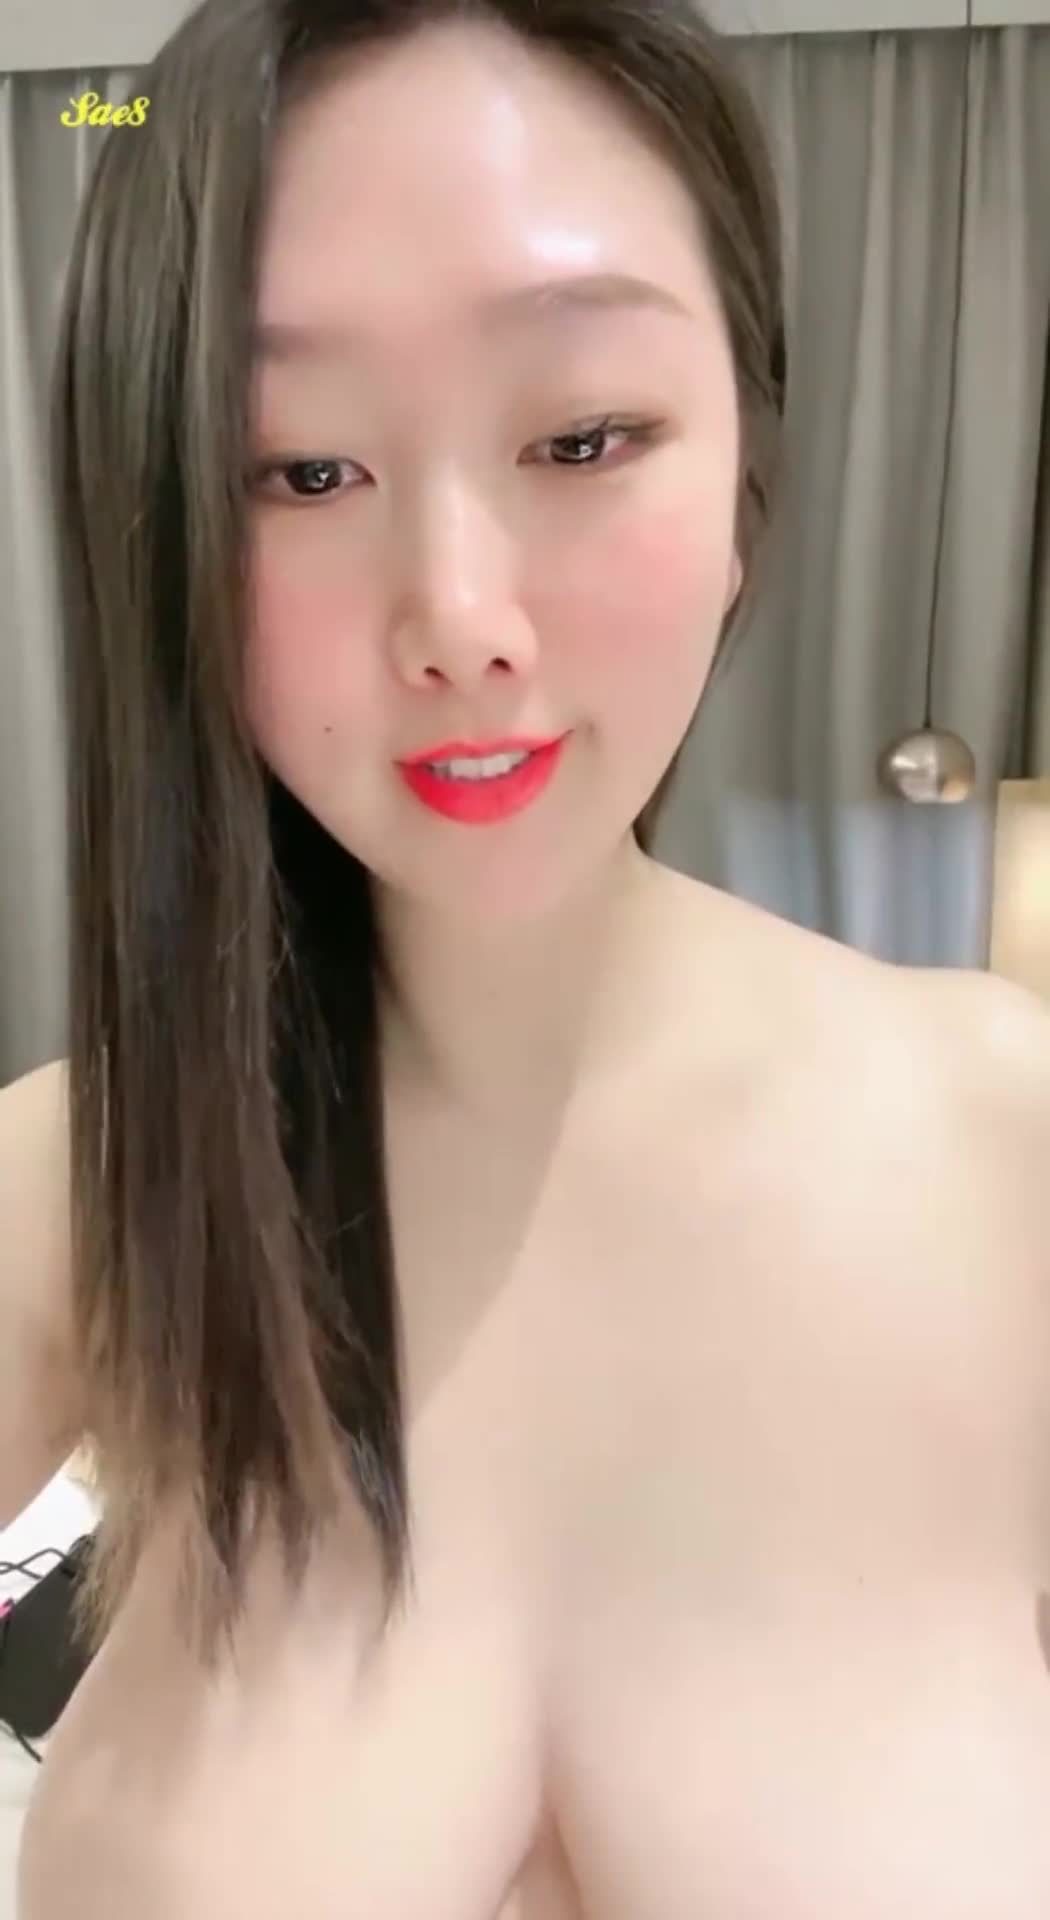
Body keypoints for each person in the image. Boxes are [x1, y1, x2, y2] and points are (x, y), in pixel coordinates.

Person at [2, 0, 1049, 1912]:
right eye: (299, 471)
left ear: (743, 478)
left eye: (582, 436)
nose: (460, 617)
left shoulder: (1009, 1145)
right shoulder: (82, 1190)